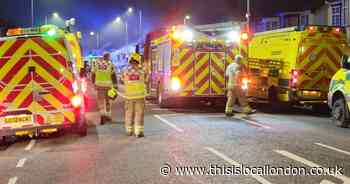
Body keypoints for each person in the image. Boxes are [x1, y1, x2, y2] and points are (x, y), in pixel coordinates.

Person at [122, 53, 147, 138]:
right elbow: (146, 80)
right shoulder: (142, 71)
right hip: (140, 96)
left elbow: (121, 80)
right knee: (139, 114)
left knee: (129, 113)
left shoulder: (125, 71)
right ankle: (138, 132)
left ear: (130, 61)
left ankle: (129, 131)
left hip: (129, 97)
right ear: (138, 61)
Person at [92, 52, 118, 124]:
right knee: (108, 101)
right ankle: (108, 116)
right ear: (108, 57)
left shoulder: (96, 64)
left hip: (99, 86)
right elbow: (113, 76)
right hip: (108, 86)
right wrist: (116, 85)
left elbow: (93, 74)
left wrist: (93, 83)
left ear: (103, 57)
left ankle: (102, 115)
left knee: (100, 102)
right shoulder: (110, 64)